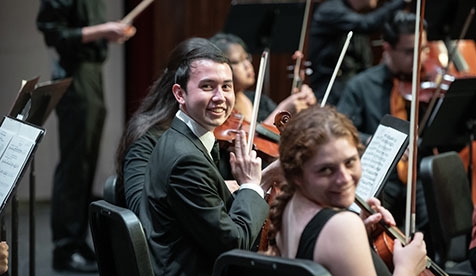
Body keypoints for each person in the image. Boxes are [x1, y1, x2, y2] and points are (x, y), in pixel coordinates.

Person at [138, 38, 271, 276]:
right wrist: (251, 186)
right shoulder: (185, 161)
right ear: (180, 94)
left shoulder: (178, 138)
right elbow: (234, 244)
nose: (220, 97)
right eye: (208, 86)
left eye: (227, 87)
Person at [265, 105, 427, 275]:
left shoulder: (290, 203)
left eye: (350, 162)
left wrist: (360, 237)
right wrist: (407, 268)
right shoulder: (343, 227)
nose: (345, 178)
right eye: (326, 170)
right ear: (297, 175)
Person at [36, 0, 135, 272]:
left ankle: (77, 240)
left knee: (86, 163)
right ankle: (64, 247)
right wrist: (103, 30)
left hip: (92, 75)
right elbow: (52, 33)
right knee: (74, 166)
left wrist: (109, 34)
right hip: (74, 74)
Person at [336, 11, 432, 254]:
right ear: (387, 48)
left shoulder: (428, 82)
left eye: (423, 49)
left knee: (434, 221)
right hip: (381, 179)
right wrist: (373, 141)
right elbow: (340, 131)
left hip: (416, 175)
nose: (419, 59)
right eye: (410, 52)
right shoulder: (361, 86)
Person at [307, 0, 409, 106]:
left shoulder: (352, 13)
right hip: (332, 92)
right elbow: (367, 24)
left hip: (351, 86)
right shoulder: (330, 10)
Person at [209, 33, 316, 126]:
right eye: (238, 61)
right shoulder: (219, 108)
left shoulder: (260, 101)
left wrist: (304, 108)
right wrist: (282, 111)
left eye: (247, 58)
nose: (248, 65)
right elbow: (249, 141)